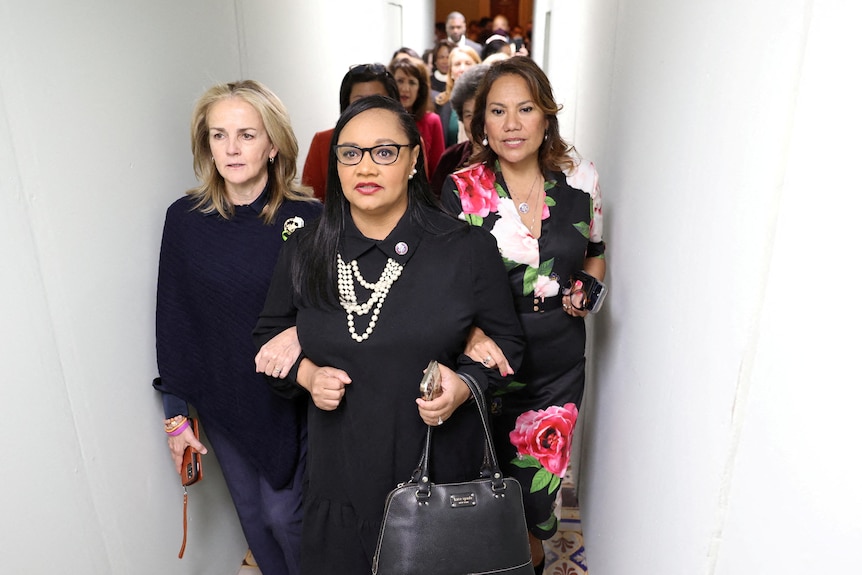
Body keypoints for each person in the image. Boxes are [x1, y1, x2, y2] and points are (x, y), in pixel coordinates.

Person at [253, 95, 524, 575]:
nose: (365, 167)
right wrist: (308, 375)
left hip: (437, 475)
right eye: (350, 153)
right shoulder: (304, 250)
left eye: (385, 151)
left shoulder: (464, 250)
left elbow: (509, 347)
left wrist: (464, 385)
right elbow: (270, 339)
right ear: (336, 165)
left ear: (415, 159)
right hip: (341, 475)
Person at [440, 57, 606, 574]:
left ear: (546, 116)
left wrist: (591, 287)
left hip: (558, 362)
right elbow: (438, 283)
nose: (512, 124)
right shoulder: (461, 190)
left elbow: (596, 249)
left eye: (525, 108)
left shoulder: (582, 180)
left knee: (537, 500)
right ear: (481, 123)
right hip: (487, 361)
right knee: (482, 491)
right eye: (497, 111)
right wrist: (467, 333)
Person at [154, 80, 321, 574]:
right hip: (223, 392)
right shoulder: (184, 219)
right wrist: (175, 413)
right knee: (253, 517)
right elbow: (174, 314)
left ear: (273, 144)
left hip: (295, 396)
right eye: (218, 134)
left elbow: (340, 310)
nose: (231, 148)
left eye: (247, 134)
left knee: (286, 514)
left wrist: (301, 334)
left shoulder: (311, 218)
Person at [302, 64, 399, 200]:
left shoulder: (408, 142)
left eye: (376, 100)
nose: (367, 108)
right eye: (359, 100)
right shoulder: (323, 141)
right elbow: (312, 201)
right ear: (346, 104)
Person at [430, 63, 489, 196]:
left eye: (482, 114)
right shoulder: (450, 158)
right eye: (469, 115)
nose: (476, 123)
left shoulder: (511, 158)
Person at [389, 56, 445, 177]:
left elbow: (437, 172)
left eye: (412, 82)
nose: (405, 89)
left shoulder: (432, 121)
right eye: (400, 81)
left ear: (420, 89)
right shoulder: (383, 120)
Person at [434, 45, 482, 149]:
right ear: (450, 72)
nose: (462, 69)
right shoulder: (440, 103)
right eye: (457, 64)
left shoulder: (488, 101)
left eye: (468, 63)